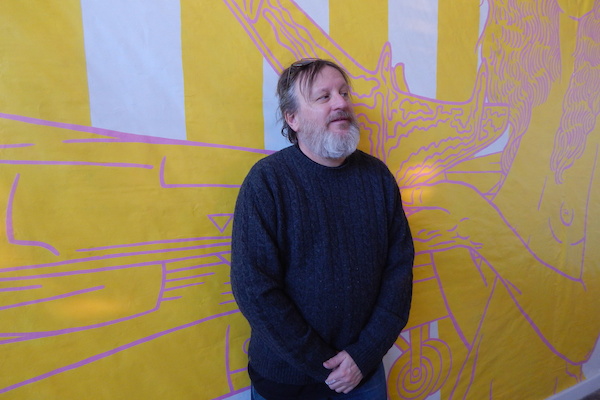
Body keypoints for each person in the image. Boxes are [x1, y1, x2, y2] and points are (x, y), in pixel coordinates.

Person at [231, 58, 414, 400]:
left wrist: (363, 355)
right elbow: (254, 289)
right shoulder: (267, 182)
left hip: (364, 372)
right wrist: (327, 366)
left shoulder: (377, 178)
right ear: (293, 118)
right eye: (324, 96)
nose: (342, 103)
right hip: (288, 381)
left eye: (344, 93)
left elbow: (399, 273)